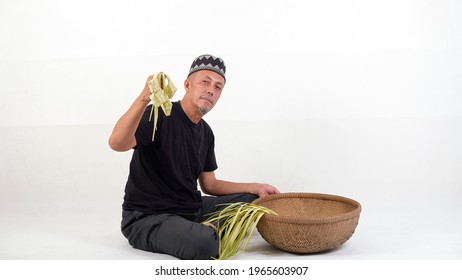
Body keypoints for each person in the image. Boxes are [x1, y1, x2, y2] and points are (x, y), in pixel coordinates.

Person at [108, 54, 280, 260]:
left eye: (218, 87)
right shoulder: (159, 113)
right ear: (187, 85)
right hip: (148, 217)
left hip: (191, 208)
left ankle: (200, 229)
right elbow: (117, 143)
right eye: (205, 82)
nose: (211, 90)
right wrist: (145, 97)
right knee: (205, 245)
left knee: (253, 203)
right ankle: (204, 234)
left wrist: (255, 187)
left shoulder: (206, 132)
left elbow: (210, 185)